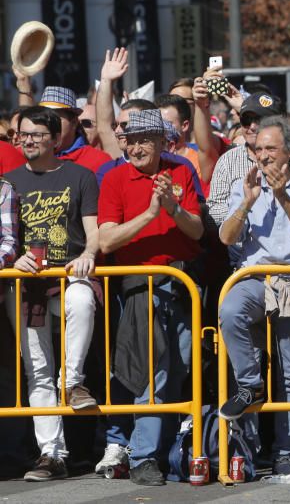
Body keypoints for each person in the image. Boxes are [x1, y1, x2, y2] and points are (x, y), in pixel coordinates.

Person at [97, 110, 204, 486]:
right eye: (132, 139)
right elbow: (107, 240)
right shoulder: (113, 178)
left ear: (163, 142)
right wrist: (150, 214)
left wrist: (173, 209)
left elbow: (197, 230)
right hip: (141, 286)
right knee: (152, 374)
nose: (137, 146)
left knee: (181, 368)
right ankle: (144, 457)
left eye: (146, 139)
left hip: (183, 282)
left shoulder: (180, 171)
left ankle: (167, 454)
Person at [218, 116, 290, 476]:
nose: (262, 156)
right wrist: (248, 201)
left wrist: (281, 195)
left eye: (270, 149)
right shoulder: (245, 183)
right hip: (255, 277)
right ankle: (251, 387)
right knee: (231, 309)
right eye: (257, 149)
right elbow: (227, 237)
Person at [4, 106, 99, 482]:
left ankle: (73, 382)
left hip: (70, 274)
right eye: (23, 134)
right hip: (26, 284)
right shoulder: (7, 182)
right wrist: (15, 260)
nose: (27, 140)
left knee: (80, 299)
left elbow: (93, 229)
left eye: (36, 135)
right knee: (36, 370)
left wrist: (90, 254)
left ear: (56, 139)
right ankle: (51, 454)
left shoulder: (81, 176)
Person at [206, 93, 290, 233]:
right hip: (243, 248)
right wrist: (247, 215)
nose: (252, 126)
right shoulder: (227, 160)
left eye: (261, 120)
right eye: (246, 120)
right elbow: (215, 209)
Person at [37, 86, 112, 173]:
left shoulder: (100, 161)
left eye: (55, 118)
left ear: (74, 122)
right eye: (43, 118)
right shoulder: (29, 154)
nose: (47, 124)